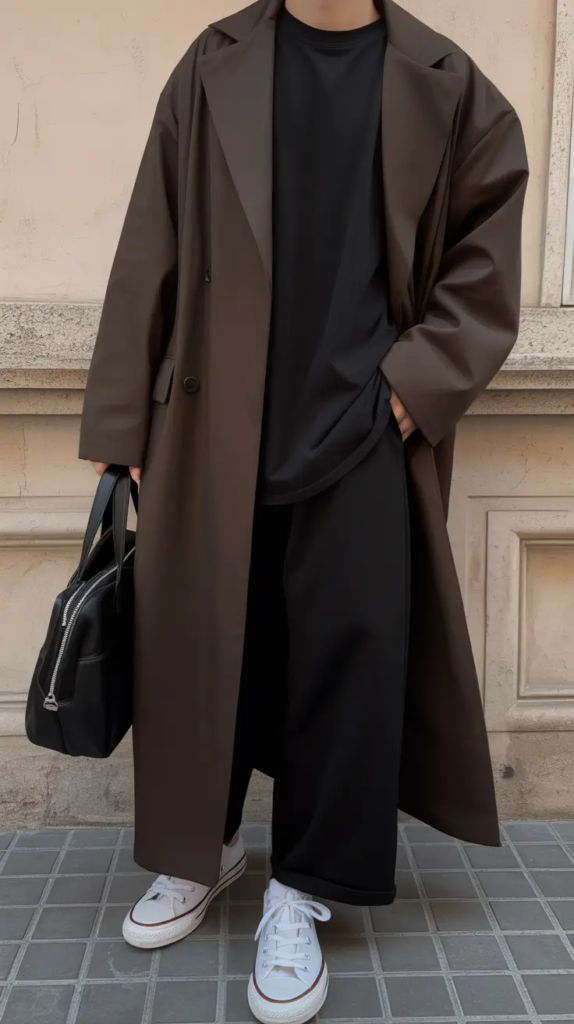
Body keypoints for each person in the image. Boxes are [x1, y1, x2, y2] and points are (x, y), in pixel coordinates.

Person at [79, 0, 528, 1020]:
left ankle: (301, 889)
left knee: (344, 661)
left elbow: (487, 253)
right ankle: (203, 847)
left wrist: (412, 389)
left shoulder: (446, 80)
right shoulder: (214, 63)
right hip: (213, 424)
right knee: (205, 647)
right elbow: (149, 241)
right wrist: (121, 420)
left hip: (366, 431)